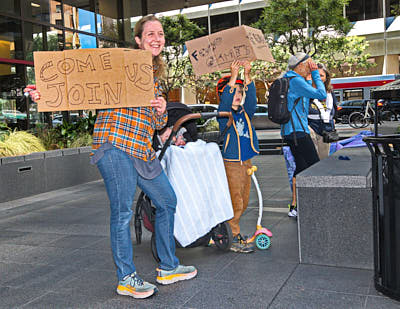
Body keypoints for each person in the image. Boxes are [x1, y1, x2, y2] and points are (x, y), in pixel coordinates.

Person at [26, 15, 197, 300]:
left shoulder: (154, 77)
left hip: (142, 151)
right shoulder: (118, 65)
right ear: (139, 40)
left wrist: (161, 110)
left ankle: (168, 267)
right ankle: (126, 277)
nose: (157, 38)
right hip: (114, 145)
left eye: (161, 34)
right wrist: (45, 94)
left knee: (167, 200)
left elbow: (157, 125)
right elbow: (78, 82)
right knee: (122, 211)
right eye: (150, 34)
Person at [217, 60, 259, 253]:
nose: (238, 95)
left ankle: (229, 230)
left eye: (240, 92)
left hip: (246, 162)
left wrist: (247, 74)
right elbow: (226, 100)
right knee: (236, 200)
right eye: (234, 92)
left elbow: (252, 101)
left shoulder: (244, 113)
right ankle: (233, 235)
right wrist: (233, 76)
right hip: (232, 163)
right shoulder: (223, 114)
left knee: (245, 198)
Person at [282, 53, 327, 218]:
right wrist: (315, 75)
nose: (311, 67)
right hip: (299, 132)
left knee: (301, 168)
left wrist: (308, 79)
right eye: (309, 65)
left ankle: (296, 206)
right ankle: (316, 203)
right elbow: (321, 95)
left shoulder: (289, 79)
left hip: (289, 132)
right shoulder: (295, 80)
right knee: (315, 166)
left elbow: (303, 102)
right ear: (300, 65)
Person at [307, 63, 337, 160]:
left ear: (326, 77)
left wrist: (334, 120)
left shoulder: (329, 92)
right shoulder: (307, 90)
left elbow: (335, 108)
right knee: (312, 158)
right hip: (311, 126)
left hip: (326, 129)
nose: (318, 78)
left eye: (321, 75)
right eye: (315, 74)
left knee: (323, 158)